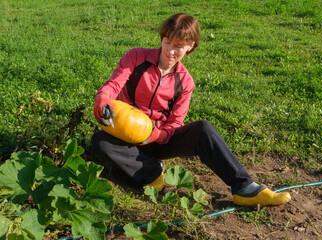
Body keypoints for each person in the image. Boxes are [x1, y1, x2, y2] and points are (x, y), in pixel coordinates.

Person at [91, 13, 291, 206]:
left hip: (158, 139)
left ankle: (245, 188)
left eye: (178, 46)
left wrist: (156, 135)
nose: (170, 51)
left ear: (191, 46)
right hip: (125, 135)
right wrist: (102, 98)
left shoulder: (185, 82)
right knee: (99, 141)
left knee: (203, 129)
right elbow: (114, 84)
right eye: (167, 42)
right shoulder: (136, 56)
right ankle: (152, 172)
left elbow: (176, 122)